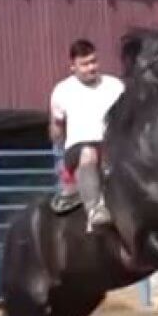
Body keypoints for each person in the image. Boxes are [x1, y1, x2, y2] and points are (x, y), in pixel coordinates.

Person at [49, 38, 125, 231]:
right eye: (85, 64)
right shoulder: (62, 91)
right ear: (72, 67)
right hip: (79, 149)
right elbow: (57, 129)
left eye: (94, 61)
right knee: (88, 152)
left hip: (112, 146)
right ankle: (95, 209)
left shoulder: (115, 86)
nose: (91, 67)